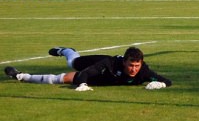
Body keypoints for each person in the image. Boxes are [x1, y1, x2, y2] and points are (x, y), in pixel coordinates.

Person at [4, 46, 171, 91]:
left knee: (64, 78)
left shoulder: (143, 71)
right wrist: (82, 84)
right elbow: (86, 73)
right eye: (130, 65)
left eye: (137, 65)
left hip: (102, 79)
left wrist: (160, 84)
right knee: (73, 64)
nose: (134, 69)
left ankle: (21, 76)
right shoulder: (110, 64)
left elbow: (166, 80)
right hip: (97, 64)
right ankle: (66, 50)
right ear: (124, 62)